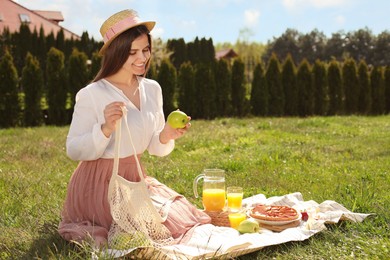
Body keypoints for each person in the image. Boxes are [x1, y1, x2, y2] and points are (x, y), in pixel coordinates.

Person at [58, 9, 211, 247]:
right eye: (132, 52)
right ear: (116, 53)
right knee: (138, 231)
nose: (142, 58)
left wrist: (166, 135)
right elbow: (74, 149)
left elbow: (154, 146)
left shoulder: (152, 89)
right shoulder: (92, 94)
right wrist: (105, 129)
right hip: (99, 184)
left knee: (176, 218)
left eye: (146, 50)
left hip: (135, 179)